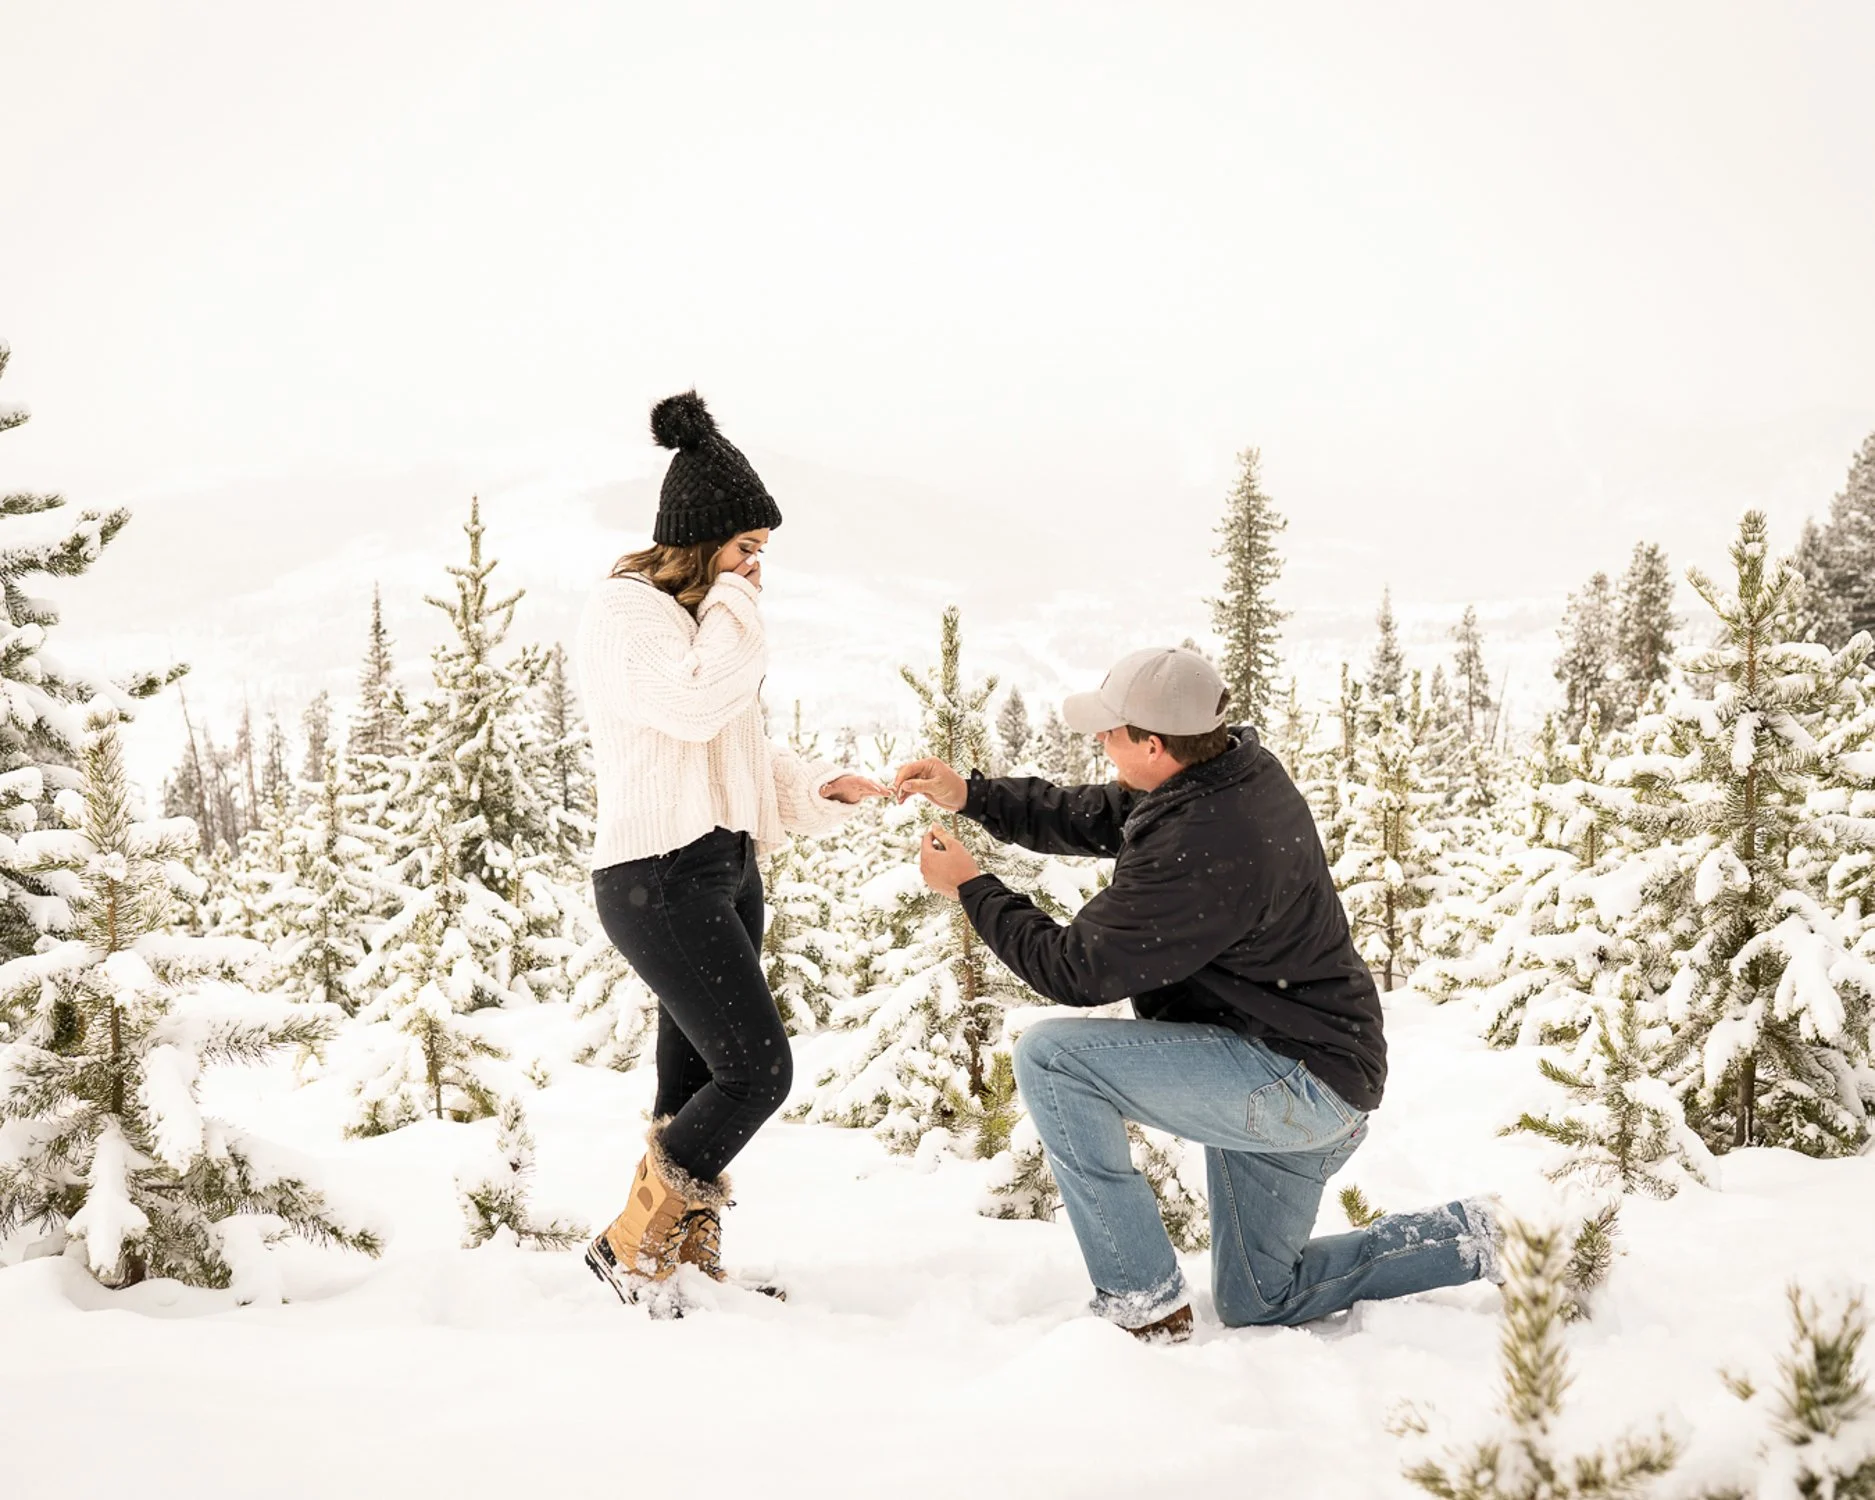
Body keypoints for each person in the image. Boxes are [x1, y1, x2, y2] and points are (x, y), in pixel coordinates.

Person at [894, 646, 1498, 1343]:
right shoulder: (1227, 772)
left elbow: (1074, 970)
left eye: (1111, 731)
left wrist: (972, 888)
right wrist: (972, 796)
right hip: (1315, 1062)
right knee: (1261, 1298)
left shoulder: (1209, 842)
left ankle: (1142, 1300)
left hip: (1292, 1082)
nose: (1100, 740)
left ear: (1154, 745)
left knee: (1051, 1058)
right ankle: (1478, 1236)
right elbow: (1105, 813)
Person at [576, 390, 885, 1306]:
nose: (756, 568)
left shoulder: (693, 623)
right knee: (757, 1073)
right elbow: (693, 705)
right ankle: (629, 1247)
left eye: (761, 553)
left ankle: (680, 1262)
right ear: (701, 541)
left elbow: (730, 747)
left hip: (722, 867)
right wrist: (735, 603)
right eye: (746, 547)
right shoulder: (628, 615)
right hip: (660, 874)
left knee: (698, 1080)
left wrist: (818, 787)